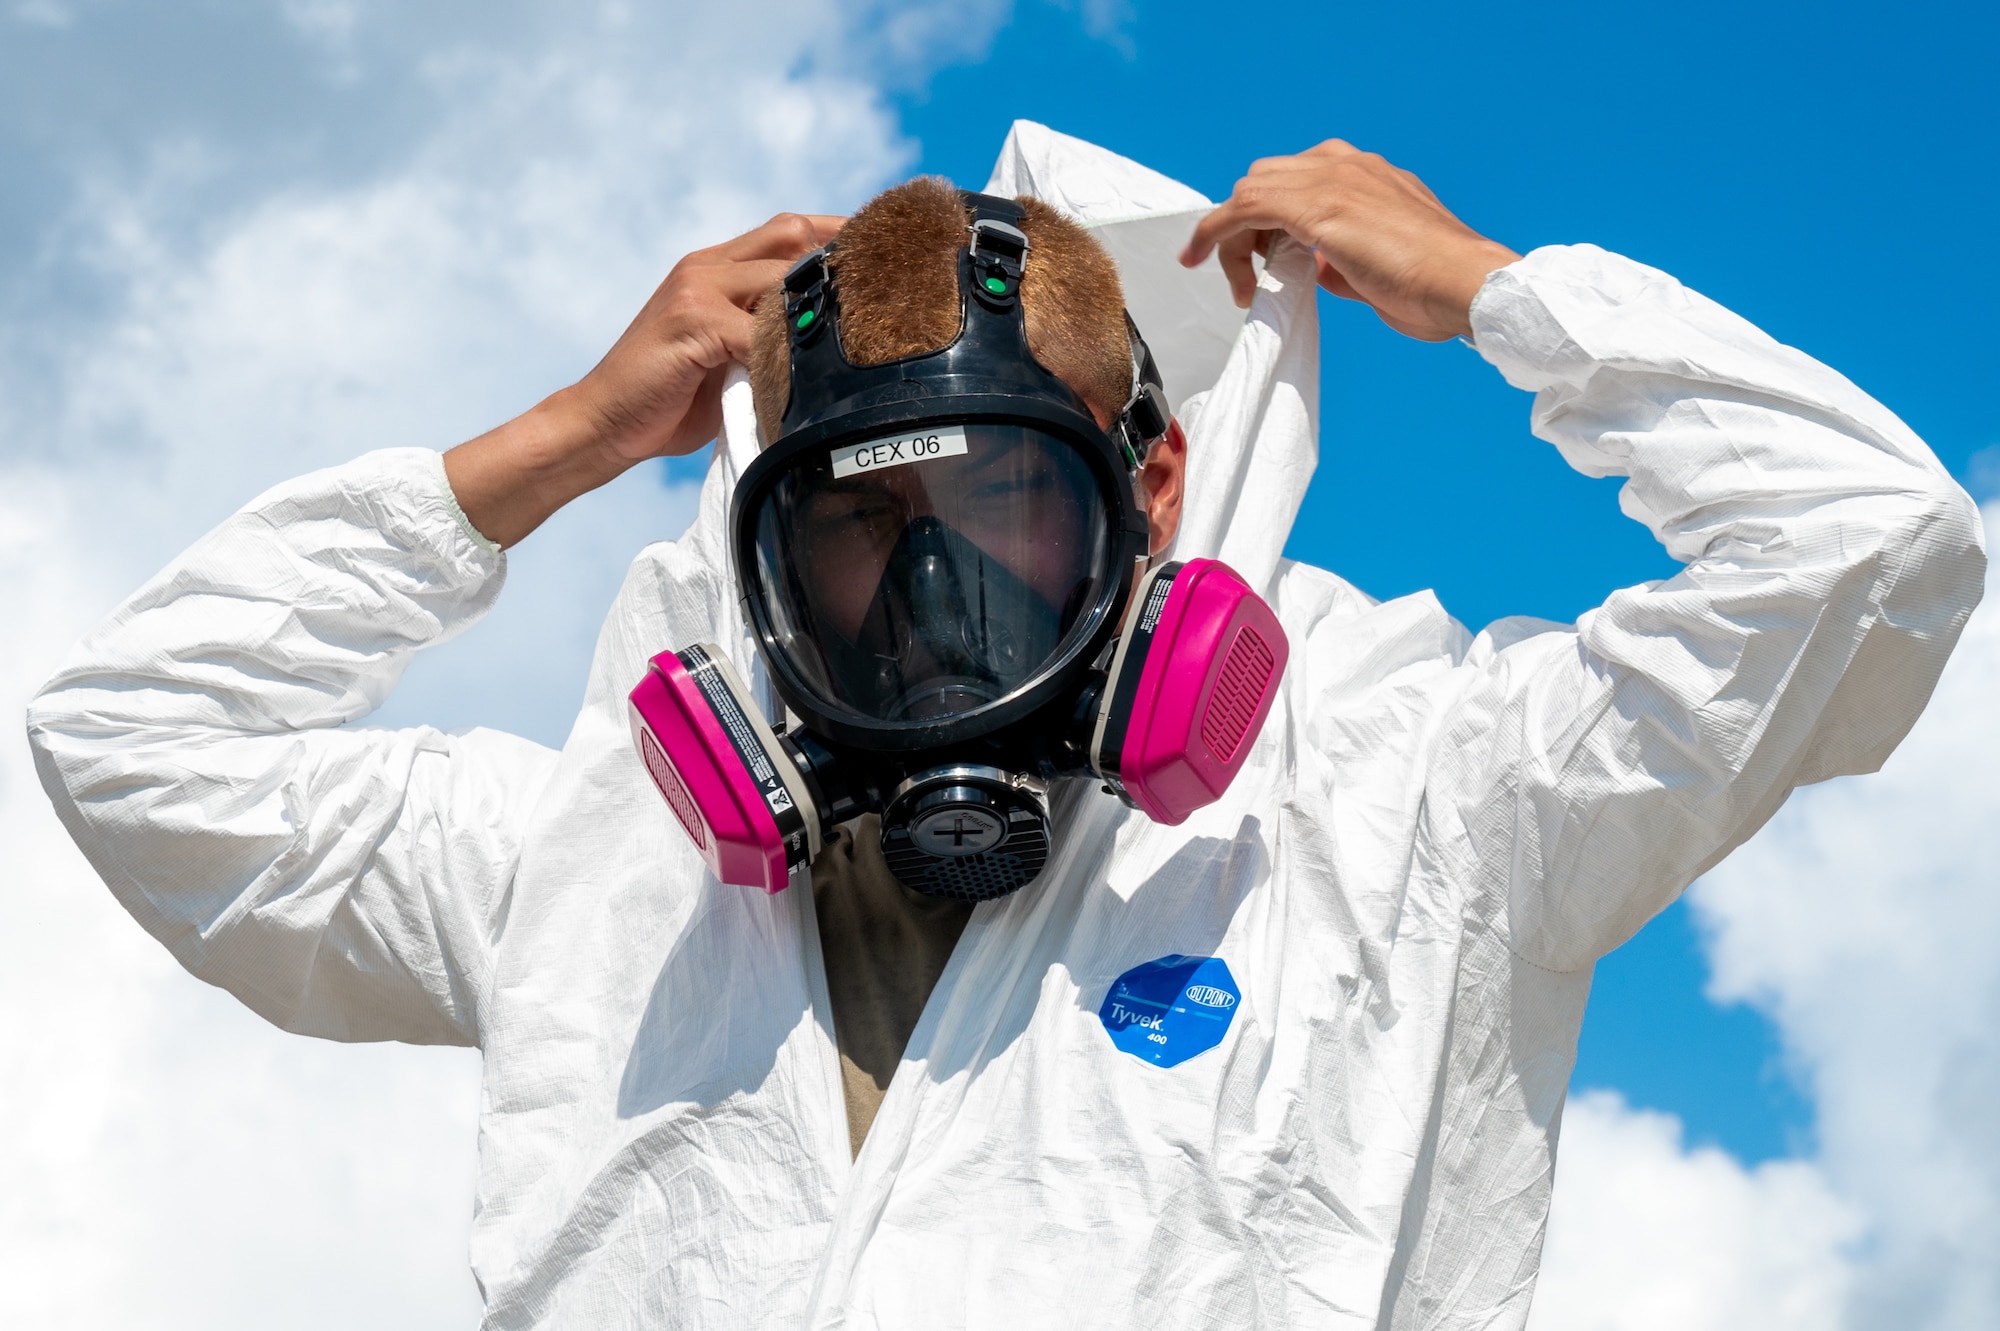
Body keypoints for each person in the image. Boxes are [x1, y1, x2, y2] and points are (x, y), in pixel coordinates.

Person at [27, 127, 1986, 1329]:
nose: (933, 593)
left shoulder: (1414, 803)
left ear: (1146, 496)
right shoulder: (599, 870)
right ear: (761, 547)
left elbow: (1865, 548)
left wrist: (1490, 293)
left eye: (999, 511)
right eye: (862, 526)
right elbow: (134, 745)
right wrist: (567, 437)